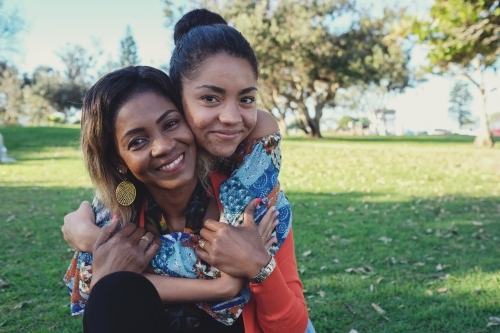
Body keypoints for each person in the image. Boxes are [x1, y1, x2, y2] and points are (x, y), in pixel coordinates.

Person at [63, 8, 315, 333]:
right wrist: (98, 242)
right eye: (138, 141)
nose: (163, 146)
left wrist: (259, 267)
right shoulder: (111, 216)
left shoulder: (255, 200)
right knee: (114, 290)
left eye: (170, 124)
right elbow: (98, 292)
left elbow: (294, 327)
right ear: (118, 161)